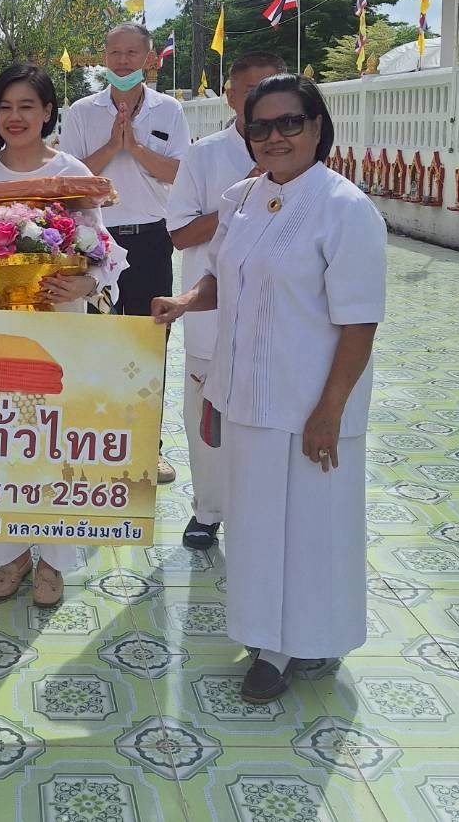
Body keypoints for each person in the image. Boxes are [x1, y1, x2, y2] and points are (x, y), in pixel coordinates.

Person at [153, 74, 385, 704]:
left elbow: (360, 320)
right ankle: (263, 636)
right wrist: (185, 301)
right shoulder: (242, 198)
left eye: (291, 122)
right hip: (246, 397)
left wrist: (329, 410)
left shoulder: (345, 207)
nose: (276, 136)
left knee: (309, 527)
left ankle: (297, 643)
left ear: (317, 126)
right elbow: (224, 278)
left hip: (309, 403)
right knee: (255, 527)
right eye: (261, 126)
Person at [0, 64, 126, 607]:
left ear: (48, 112)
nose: (15, 117)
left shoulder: (73, 174)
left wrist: (86, 282)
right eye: (5, 106)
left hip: (60, 324)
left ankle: (55, 559)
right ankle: (11, 551)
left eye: (27, 105)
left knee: (56, 438)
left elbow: (105, 251)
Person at [164, 51, 284, 551]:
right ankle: (208, 510)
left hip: (279, 315)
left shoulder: (301, 155)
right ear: (230, 97)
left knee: (270, 416)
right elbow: (180, 233)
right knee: (207, 419)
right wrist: (245, 198)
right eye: (250, 91)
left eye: (271, 88)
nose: (261, 102)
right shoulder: (205, 155)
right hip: (211, 311)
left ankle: (265, 511)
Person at [60, 22, 190, 483]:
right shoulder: (82, 111)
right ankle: (95, 443)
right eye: (115, 52)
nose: (123, 61)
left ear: (148, 59)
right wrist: (111, 146)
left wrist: (133, 147)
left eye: (132, 53)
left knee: (148, 339)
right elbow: (71, 177)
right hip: (95, 240)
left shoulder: (168, 109)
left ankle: (148, 446)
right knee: (96, 340)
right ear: (104, 56)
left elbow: (179, 172)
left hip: (150, 239)